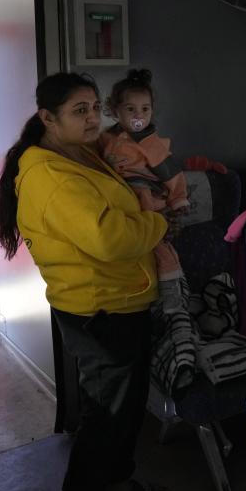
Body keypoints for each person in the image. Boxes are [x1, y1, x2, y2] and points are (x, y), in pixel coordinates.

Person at [0, 72, 168, 491]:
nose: (92, 118)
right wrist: (157, 221)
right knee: (107, 418)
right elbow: (110, 238)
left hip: (119, 300)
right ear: (48, 118)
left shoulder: (79, 152)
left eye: (94, 107)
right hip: (101, 310)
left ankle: (118, 483)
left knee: (122, 412)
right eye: (79, 110)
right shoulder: (50, 175)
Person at [98, 69, 187, 313]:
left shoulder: (150, 142)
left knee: (155, 242)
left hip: (146, 193)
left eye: (145, 109)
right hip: (119, 192)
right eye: (131, 109)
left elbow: (171, 172)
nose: (139, 115)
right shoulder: (106, 137)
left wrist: (179, 199)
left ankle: (172, 289)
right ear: (116, 111)